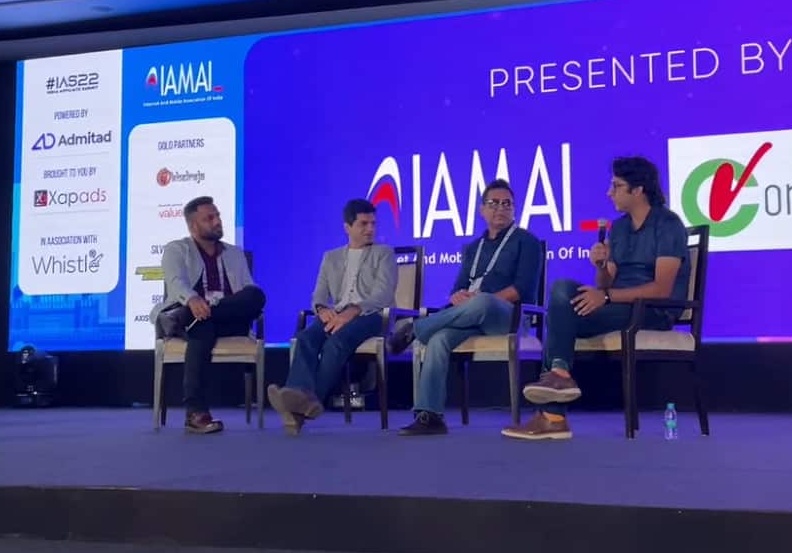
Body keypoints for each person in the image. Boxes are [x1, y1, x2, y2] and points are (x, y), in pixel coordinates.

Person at [502, 156, 690, 440]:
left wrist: (606, 296)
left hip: (653, 310)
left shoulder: (668, 224)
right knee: (562, 291)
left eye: (617, 186)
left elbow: (662, 289)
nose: (609, 192)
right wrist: (600, 266)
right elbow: (606, 281)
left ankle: (553, 417)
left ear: (638, 190)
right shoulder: (620, 228)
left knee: (562, 315)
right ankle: (560, 375)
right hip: (619, 305)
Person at [388, 179, 543, 436]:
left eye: (507, 204)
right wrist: (459, 296)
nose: (501, 208)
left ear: (514, 209)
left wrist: (482, 300)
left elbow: (521, 290)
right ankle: (430, 415)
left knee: (483, 301)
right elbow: (458, 288)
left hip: (509, 317)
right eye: (494, 203)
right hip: (471, 317)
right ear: (482, 210)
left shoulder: (526, 242)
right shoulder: (473, 248)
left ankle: (416, 328)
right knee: (439, 338)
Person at [266, 199, 398, 435]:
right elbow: (318, 294)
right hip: (337, 313)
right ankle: (299, 402)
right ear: (347, 227)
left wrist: (352, 311)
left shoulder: (384, 254)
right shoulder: (331, 257)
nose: (370, 229)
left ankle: (306, 399)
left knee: (335, 343)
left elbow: (383, 295)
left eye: (373, 223)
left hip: (372, 315)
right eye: (363, 224)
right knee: (306, 338)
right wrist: (321, 309)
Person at [151, 196, 265, 434]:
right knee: (200, 325)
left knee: (255, 295)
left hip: (226, 318)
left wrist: (210, 307)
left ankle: (195, 414)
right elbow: (176, 282)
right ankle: (196, 412)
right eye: (209, 218)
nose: (217, 221)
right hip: (190, 314)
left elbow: (248, 289)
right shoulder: (177, 249)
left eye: (218, 216)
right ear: (194, 226)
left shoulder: (234, 253)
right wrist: (193, 299)